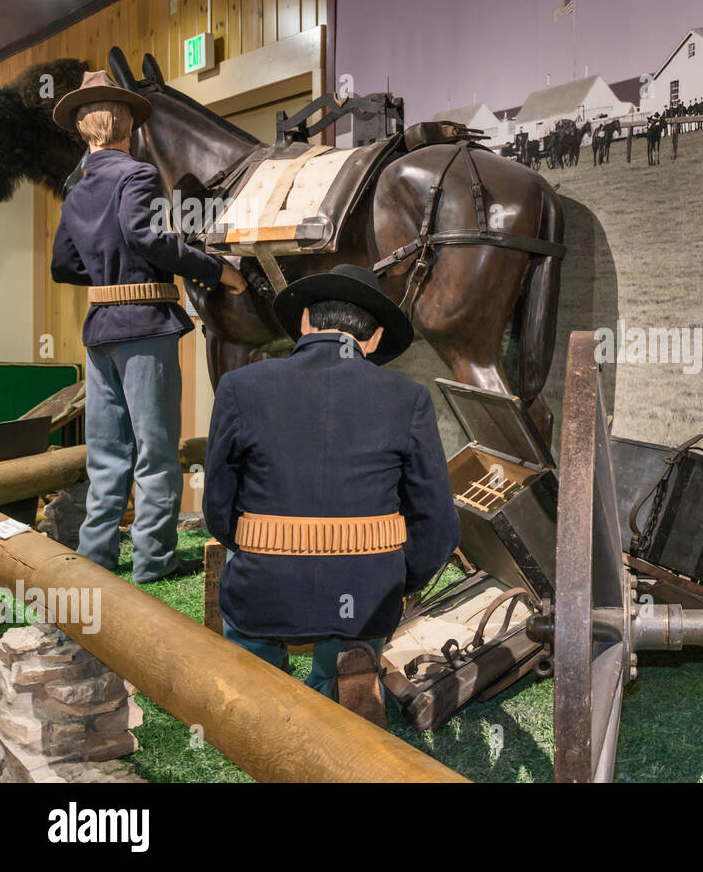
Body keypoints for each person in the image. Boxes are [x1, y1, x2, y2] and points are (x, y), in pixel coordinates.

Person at [202, 263, 459, 707]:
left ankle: (263, 698)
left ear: (304, 323)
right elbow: (437, 524)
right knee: (348, 666)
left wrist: (255, 547)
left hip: (264, 587)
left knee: (254, 690)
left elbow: (218, 505)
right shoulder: (408, 398)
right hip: (365, 595)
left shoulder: (238, 387)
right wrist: (396, 578)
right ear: (375, 339)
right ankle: (342, 683)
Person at [50, 70, 246, 584]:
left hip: (100, 332)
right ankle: (154, 561)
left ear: (84, 129)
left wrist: (105, 267)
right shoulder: (137, 176)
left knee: (109, 452)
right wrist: (216, 270)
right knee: (156, 452)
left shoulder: (77, 189)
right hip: (146, 327)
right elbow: (148, 238)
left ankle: (95, 558)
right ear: (128, 125)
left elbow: (63, 266)